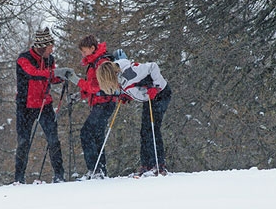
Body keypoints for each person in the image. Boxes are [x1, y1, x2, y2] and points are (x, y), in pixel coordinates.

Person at [96, 52, 172, 177]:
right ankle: (146, 164)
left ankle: (159, 164)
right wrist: (127, 95)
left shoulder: (130, 73)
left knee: (152, 128)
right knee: (144, 130)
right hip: (150, 96)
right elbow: (134, 89)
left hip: (161, 94)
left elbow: (153, 66)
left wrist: (156, 87)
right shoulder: (120, 73)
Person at [58, 35, 117, 180]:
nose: (83, 55)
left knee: (86, 132)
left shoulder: (102, 62)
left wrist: (76, 81)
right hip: (101, 102)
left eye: (84, 52)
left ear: (92, 48)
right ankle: (100, 169)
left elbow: (98, 87)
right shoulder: (94, 62)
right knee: (96, 135)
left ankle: (94, 169)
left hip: (105, 102)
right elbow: (93, 86)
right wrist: (80, 95)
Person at [14, 27, 65, 184]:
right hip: (25, 106)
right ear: (42, 46)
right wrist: (52, 74)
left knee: (53, 140)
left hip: (45, 104)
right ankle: (19, 178)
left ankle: (59, 175)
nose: (51, 50)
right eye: (50, 47)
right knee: (23, 142)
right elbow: (33, 73)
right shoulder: (24, 58)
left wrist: (61, 77)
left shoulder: (50, 59)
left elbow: (51, 78)